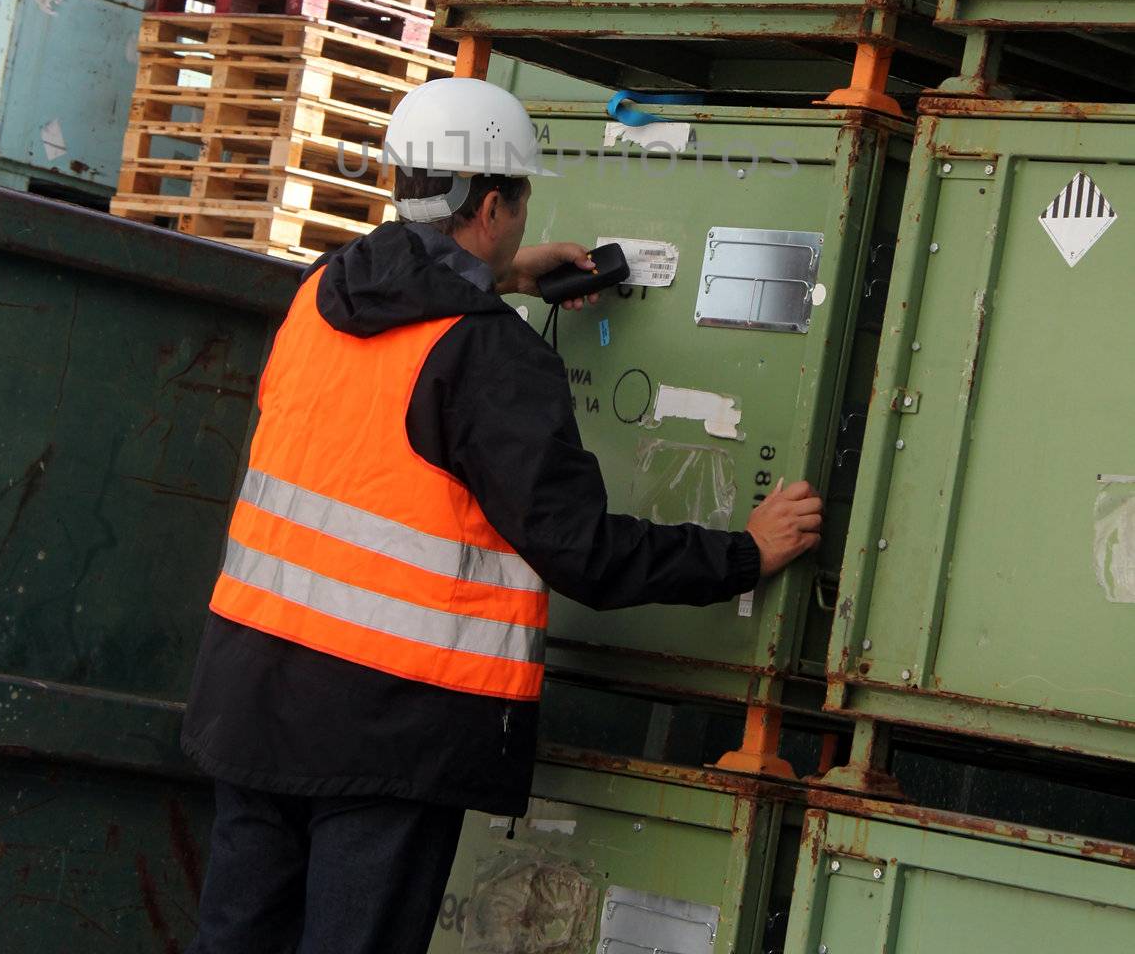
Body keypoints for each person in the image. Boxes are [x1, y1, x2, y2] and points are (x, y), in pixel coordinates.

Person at [181, 77, 823, 954]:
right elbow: (583, 553)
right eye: (516, 206)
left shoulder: (320, 295)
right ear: (491, 203)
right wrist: (743, 553)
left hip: (251, 699)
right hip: (384, 736)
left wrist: (497, 275)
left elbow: (383, 396)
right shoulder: (490, 357)